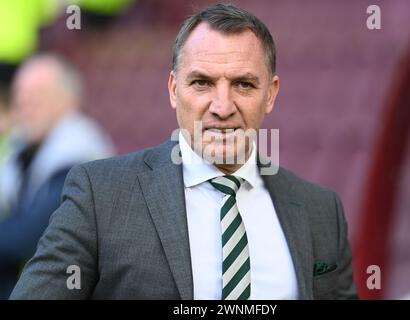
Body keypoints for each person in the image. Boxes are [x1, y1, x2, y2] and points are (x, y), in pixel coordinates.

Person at [10, 4, 358, 300]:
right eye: (202, 83)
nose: (222, 107)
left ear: (271, 93)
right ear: (175, 90)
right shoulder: (100, 195)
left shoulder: (320, 212)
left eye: (244, 84)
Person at [0, 54, 114, 299]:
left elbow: (30, 235)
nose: (24, 104)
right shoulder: (23, 148)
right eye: (20, 96)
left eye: (37, 96)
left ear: (68, 102)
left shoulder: (78, 151)